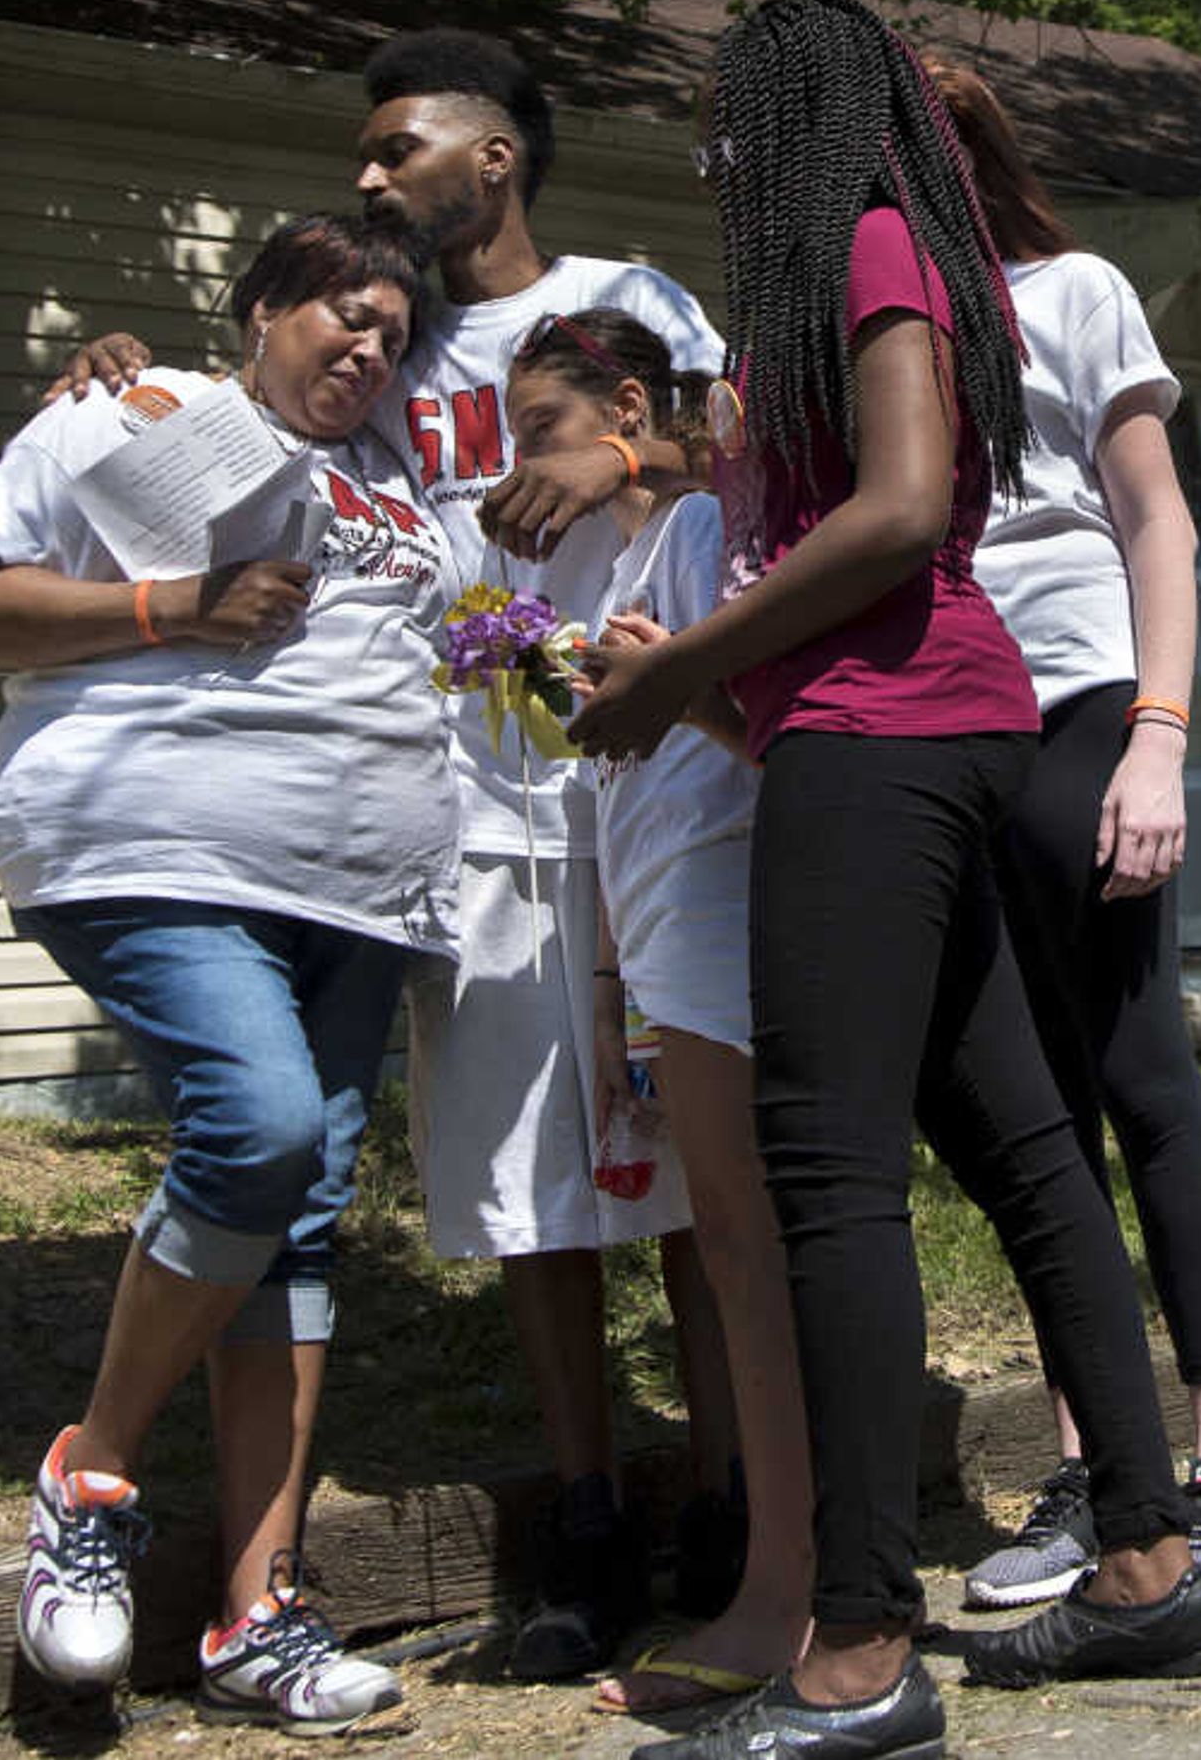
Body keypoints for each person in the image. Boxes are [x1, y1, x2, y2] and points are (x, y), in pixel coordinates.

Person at [570, 0, 1201, 1760]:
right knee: (1026, 1149)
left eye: (731, 120)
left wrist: (690, 649)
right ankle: (1150, 1562)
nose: (713, 153)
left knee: (830, 1175)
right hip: (898, 730)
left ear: (800, 116)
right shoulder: (859, 269)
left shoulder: (868, 237)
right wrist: (678, 687)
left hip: (890, 736)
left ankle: (859, 1648)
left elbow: (898, 505)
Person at [58, 30, 731, 1677]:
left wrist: (617, 453)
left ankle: (730, 1489)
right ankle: (581, 1517)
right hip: (459, 813)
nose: (366, 177)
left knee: (699, 1166)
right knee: (530, 1193)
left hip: (652, 786)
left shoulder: (621, 295)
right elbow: (239, 435)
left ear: (494, 154)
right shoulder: (385, 345)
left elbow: (744, 449)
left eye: (396, 146)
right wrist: (123, 370)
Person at [0, 213, 454, 1734]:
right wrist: (171, 606)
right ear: (263, 307)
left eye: (393, 335)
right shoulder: (131, 412)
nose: (368, 347)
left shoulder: (402, 482)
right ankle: (88, 1474)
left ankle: (258, 1610)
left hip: (360, 889)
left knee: (298, 1224)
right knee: (261, 1124)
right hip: (154, 841)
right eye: (342, 316)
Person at [923, 57, 1201, 1612]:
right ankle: (1093, 1462)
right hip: (943, 734)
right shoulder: (866, 339)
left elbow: (1159, 521)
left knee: (1139, 1076)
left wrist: (1158, 735)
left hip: (1080, 703)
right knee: (1032, 1114)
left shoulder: (1070, 290)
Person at [494, 308, 818, 1718]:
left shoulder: (696, 529)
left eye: (543, 435)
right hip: (661, 930)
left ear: (629, 406)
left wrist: (666, 683)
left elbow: (768, 724)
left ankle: (798, 1575)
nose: (524, 472)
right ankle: (786, 1557)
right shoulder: (632, 562)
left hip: (726, 908)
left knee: (754, 1235)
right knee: (731, 1227)